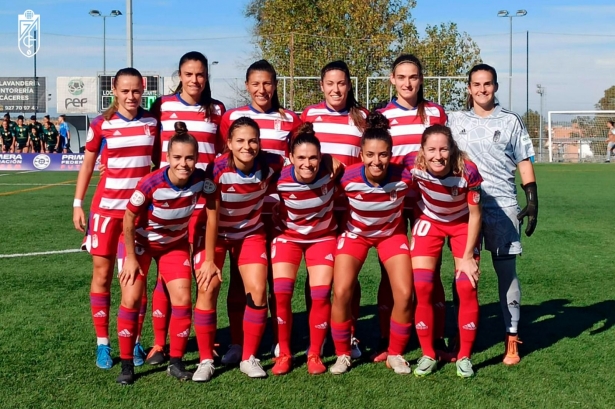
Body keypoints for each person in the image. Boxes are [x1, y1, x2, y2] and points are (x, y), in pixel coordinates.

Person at [448, 63, 538, 365]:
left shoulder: (511, 121)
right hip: (464, 207)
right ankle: (461, 340)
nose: (482, 89)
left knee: (505, 273)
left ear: (495, 87)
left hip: (502, 206)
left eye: (487, 84)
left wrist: (532, 198)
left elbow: (524, 161)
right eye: (476, 84)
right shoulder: (455, 119)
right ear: (469, 88)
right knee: (463, 274)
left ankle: (512, 337)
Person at [115, 122, 217, 385]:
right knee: (132, 298)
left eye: (190, 158)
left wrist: (208, 258)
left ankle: (176, 362)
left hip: (174, 245)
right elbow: (128, 218)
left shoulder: (202, 180)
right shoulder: (151, 183)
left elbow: (213, 209)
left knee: (182, 299)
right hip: (139, 244)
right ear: (168, 157)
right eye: (177, 157)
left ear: (197, 158)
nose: (184, 163)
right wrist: (130, 257)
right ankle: (127, 366)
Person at [72, 67, 158, 370]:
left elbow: (160, 164)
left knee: (136, 280)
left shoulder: (152, 123)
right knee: (102, 276)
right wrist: (77, 204)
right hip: (105, 212)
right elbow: (86, 166)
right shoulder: (102, 124)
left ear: (143, 89)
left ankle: (133, 341)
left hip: (138, 216)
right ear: (114, 90)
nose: (131, 96)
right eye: (125, 91)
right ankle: (103, 345)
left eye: (136, 91)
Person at [145, 51, 226, 366]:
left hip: (203, 203)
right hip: (170, 203)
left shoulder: (216, 110)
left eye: (200, 74)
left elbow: (220, 152)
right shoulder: (163, 106)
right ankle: (158, 344)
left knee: (207, 273)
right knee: (168, 276)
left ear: (207, 76)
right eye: (189, 74)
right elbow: (153, 151)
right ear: (179, 75)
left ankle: (209, 337)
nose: (195, 80)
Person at [218, 59, 301, 365]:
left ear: (275, 85)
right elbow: (223, 158)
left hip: (278, 213)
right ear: (247, 86)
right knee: (241, 282)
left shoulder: (290, 119)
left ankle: (281, 341)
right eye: (256, 83)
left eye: (267, 83)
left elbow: (297, 159)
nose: (262, 89)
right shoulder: (232, 118)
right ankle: (239, 343)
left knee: (276, 282)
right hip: (243, 212)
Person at [192, 116, 285, 380]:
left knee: (257, 289)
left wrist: (327, 161)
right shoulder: (217, 170)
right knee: (208, 286)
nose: (247, 146)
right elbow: (211, 216)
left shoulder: (271, 162)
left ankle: (249, 356)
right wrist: (209, 260)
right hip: (214, 233)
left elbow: (297, 166)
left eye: (253, 140)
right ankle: (206, 360)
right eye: (240, 141)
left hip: (250, 233)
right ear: (229, 143)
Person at [371, 53, 448, 362]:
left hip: (429, 205)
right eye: (401, 77)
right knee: (390, 272)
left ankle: (437, 336)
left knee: (432, 273)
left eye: (413, 77)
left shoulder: (435, 112)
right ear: (392, 79)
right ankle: (385, 338)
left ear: (421, 79)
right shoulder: (380, 115)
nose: (407, 83)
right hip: (392, 202)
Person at [329, 112, 414, 375]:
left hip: (391, 234)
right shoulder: (347, 178)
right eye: (370, 155)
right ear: (361, 153)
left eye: (383, 154)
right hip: (356, 235)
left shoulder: (406, 176)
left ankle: (395, 353)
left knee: (405, 294)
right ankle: (343, 353)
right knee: (341, 291)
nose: (376, 161)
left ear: (391, 153)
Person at [407, 124, 482, 378]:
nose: (437, 156)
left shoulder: (468, 172)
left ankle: (464, 356)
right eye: (431, 150)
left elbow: (475, 214)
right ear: (422, 151)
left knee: (465, 285)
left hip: (463, 224)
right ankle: (429, 353)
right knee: (423, 285)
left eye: (443, 149)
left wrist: (469, 256)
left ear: (452, 149)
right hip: (431, 221)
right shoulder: (412, 165)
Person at [270, 122, 339, 376]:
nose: (307, 163)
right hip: (288, 238)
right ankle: (284, 353)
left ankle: (315, 353)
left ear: (321, 158)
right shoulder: (279, 178)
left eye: (313, 158)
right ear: (290, 158)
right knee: (281, 293)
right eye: (301, 157)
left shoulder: (332, 172)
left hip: (322, 238)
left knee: (320, 294)